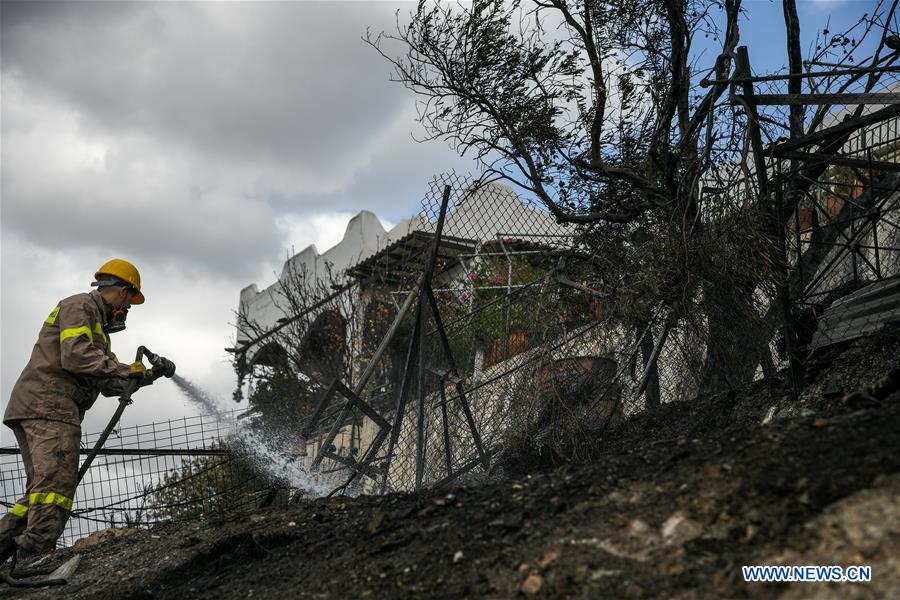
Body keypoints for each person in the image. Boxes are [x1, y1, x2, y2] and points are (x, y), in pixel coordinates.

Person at [0, 259, 175, 564]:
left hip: (39, 405)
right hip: (50, 405)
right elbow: (76, 357)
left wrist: (148, 374)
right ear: (121, 291)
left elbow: (109, 382)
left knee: (40, 493)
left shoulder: (98, 330)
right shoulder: (81, 306)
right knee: (55, 488)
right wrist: (127, 369)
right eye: (129, 302)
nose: (127, 310)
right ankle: (34, 559)